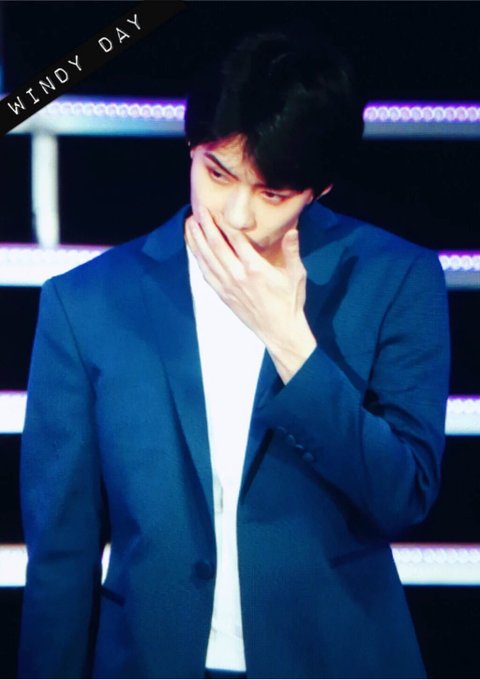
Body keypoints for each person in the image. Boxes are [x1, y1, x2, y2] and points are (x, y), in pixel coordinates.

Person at [18, 25, 450, 680]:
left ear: (318, 190)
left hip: (336, 658)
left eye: (272, 193)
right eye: (218, 174)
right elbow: (61, 550)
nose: (238, 215)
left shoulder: (394, 279)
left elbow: (404, 497)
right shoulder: (87, 303)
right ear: (190, 148)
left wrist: (291, 341)